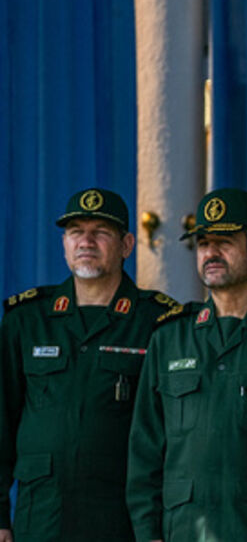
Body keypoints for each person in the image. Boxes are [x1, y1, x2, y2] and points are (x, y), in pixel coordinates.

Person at [126, 188, 247, 541]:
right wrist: (147, 533)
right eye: (202, 243)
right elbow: (145, 452)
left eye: (224, 241)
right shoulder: (169, 337)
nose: (210, 252)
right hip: (183, 531)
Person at [0, 188, 177, 542]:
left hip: (122, 520)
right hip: (42, 517)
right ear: (64, 244)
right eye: (76, 231)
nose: (86, 241)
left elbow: (172, 432)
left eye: (101, 232)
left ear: (127, 245)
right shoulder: (27, 319)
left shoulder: (157, 322)